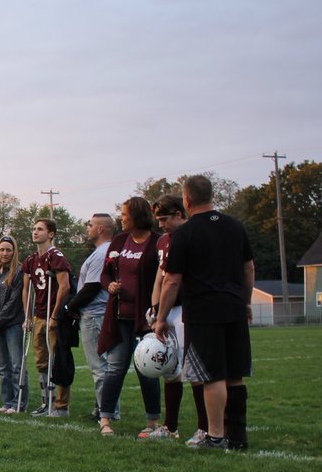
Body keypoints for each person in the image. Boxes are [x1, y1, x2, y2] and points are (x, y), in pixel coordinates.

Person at [154, 174, 255, 451]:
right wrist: (246, 302)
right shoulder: (235, 226)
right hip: (234, 307)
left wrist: (161, 318)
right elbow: (249, 268)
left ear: (186, 200)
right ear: (212, 195)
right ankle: (238, 437)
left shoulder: (184, 234)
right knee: (235, 374)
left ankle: (216, 435)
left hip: (203, 311)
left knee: (212, 375)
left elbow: (172, 280)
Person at [97, 197, 162, 437]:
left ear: (136, 216)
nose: (121, 218)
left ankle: (152, 421)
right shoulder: (119, 241)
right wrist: (110, 286)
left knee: (147, 369)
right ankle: (105, 419)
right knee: (114, 368)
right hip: (119, 317)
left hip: (145, 319)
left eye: (124, 214)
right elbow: (104, 275)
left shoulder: (157, 242)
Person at [146, 194, 209, 443]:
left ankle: (205, 428)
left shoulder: (192, 236)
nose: (161, 224)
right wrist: (155, 307)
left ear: (180, 214)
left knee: (192, 370)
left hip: (188, 308)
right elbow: (161, 276)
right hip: (167, 309)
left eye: (164, 219)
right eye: (158, 219)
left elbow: (177, 279)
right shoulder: (163, 241)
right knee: (169, 369)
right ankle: (170, 426)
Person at [64, 214, 115, 421]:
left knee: (99, 366)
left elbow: (92, 287)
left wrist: (69, 306)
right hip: (95, 314)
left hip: (95, 315)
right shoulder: (102, 252)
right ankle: (102, 409)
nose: (88, 228)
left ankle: (106, 412)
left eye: (91, 225)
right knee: (102, 365)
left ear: (102, 229)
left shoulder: (102, 253)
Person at [22, 218, 72, 416]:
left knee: (57, 359)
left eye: (40, 229)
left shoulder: (56, 256)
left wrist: (55, 315)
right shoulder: (31, 260)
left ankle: (61, 405)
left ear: (51, 234)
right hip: (38, 315)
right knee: (41, 361)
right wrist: (27, 315)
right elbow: (26, 289)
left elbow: (65, 286)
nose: (35, 232)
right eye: (34, 229)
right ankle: (46, 402)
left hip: (53, 315)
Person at [0, 236, 28, 414]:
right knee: (3, 366)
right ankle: (7, 402)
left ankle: (19, 403)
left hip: (13, 324)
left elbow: (14, 301)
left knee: (17, 364)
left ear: (14, 251)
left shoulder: (19, 272)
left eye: (8, 250)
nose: (4, 253)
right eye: (2, 249)